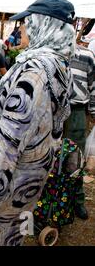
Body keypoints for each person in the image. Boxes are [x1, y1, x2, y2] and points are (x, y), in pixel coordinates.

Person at [0, 0, 76, 246]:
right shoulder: (59, 66)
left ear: (43, 26)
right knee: (16, 230)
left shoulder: (34, 72)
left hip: (6, 180)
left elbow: (13, 128)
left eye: (26, 23)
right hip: (30, 177)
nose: (20, 28)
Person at [63, 43, 95, 220]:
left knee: (76, 158)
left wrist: (93, 112)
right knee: (48, 156)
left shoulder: (86, 55)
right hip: (52, 111)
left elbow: (94, 86)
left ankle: (77, 200)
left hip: (76, 111)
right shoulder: (49, 50)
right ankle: (46, 197)